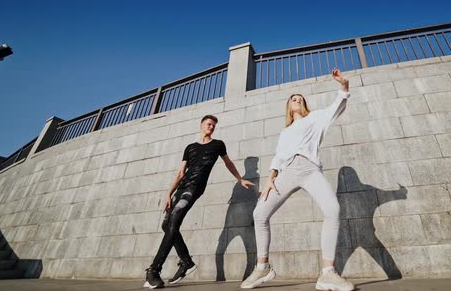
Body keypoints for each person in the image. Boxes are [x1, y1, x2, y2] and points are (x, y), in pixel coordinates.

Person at [241, 69, 354, 291]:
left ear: (304, 105)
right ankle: (263, 267)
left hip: (310, 169)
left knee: (333, 209)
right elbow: (277, 157)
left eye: (300, 99)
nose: (297, 100)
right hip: (287, 173)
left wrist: (344, 86)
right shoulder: (285, 132)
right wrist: (269, 179)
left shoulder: (315, 118)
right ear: (289, 106)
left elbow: (336, 107)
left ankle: (328, 274)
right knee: (259, 213)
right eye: (294, 99)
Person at [144, 115, 255, 289]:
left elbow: (228, 163)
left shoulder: (218, 144)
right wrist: (168, 193)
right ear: (202, 125)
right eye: (209, 124)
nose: (211, 127)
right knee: (167, 226)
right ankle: (187, 262)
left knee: (173, 223)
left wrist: (240, 178)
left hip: (194, 188)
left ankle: (154, 270)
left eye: (214, 125)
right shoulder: (190, 148)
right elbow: (181, 172)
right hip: (181, 188)